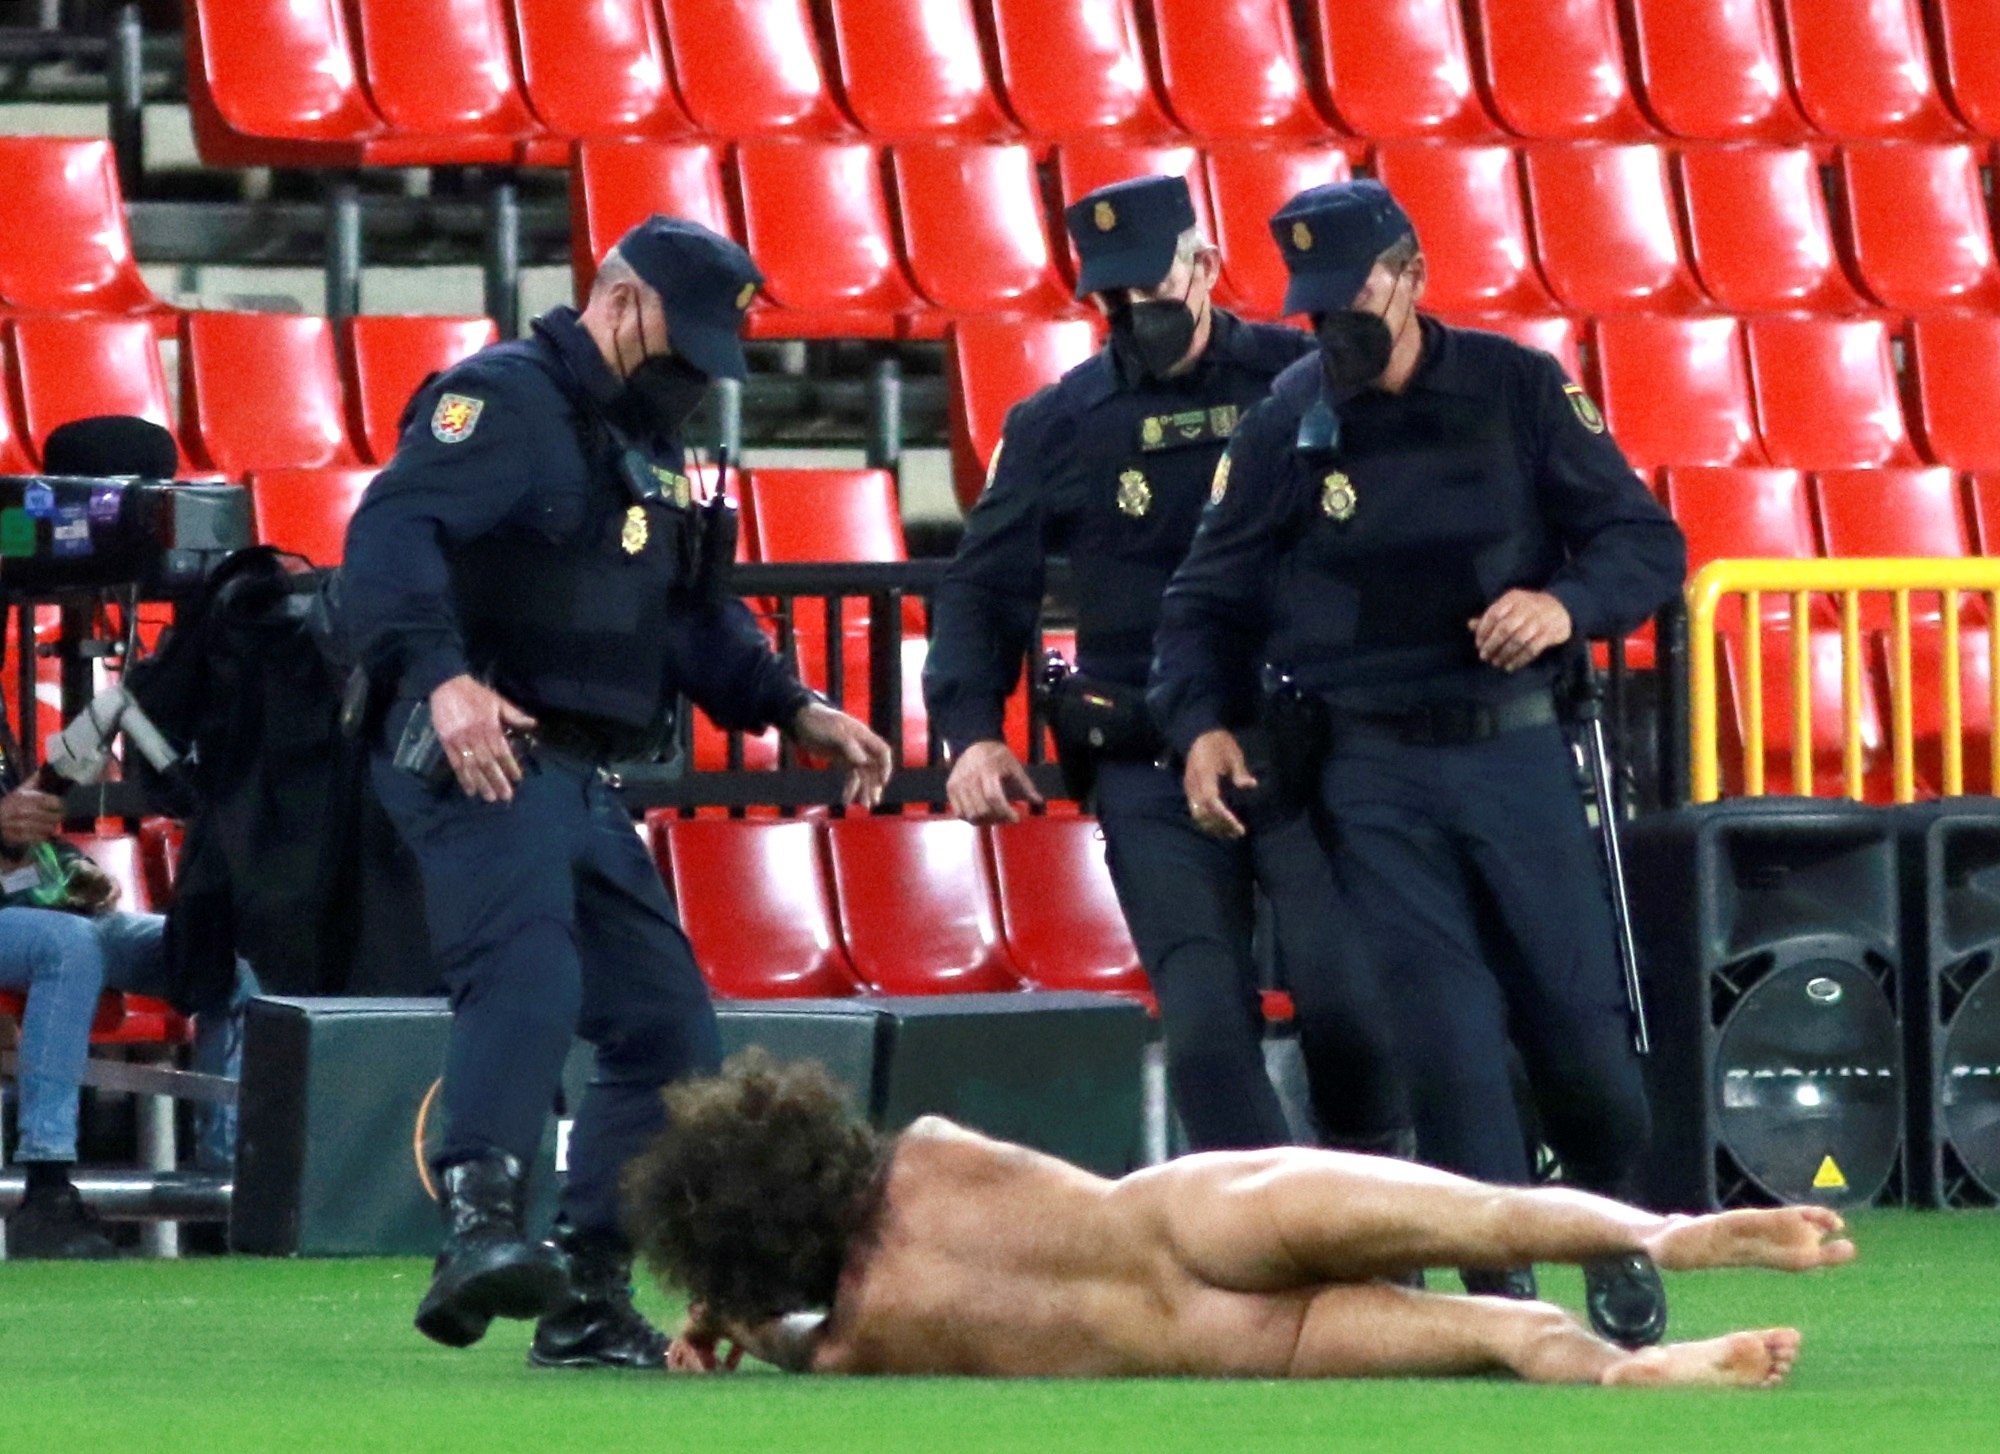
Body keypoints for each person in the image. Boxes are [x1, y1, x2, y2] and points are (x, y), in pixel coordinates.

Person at [339, 215, 893, 1368]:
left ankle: (587, 1291)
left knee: (665, 1025)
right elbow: (388, 533)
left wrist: (790, 705)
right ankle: (480, 1226)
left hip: (582, 771)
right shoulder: (501, 401)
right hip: (478, 749)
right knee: (528, 970)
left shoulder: (649, 448)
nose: (696, 375)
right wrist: (443, 679)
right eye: (683, 344)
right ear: (621, 302)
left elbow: (691, 618)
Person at [1147, 180, 1688, 1344]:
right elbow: (1204, 601)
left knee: (1575, 1032)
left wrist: (1562, 605)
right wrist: (1199, 724)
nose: (1327, 329)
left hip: (1514, 753)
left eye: (1349, 301)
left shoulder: (1517, 390)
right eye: (1311, 310)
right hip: (1367, 772)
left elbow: (1644, 541)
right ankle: (1499, 1292)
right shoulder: (1287, 422)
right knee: (1443, 1034)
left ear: (1408, 278)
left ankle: (1605, 1223)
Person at [924, 174, 1407, 1158]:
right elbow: (983, 589)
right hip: (1145, 752)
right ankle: (1276, 1234)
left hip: (1297, 745)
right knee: (1201, 1020)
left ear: (1204, 266)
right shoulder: (1059, 421)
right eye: (1114, 298)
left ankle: (1372, 1202)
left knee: (1349, 1000)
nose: (1133, 314)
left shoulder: (1299, 378)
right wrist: (971, 730)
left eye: (1151, 290)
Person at [630, 1053, 1852, 1385]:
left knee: (1498, 1332)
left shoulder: (854, 1343)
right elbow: (907, 1146)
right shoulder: (930, 1152)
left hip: (1211, 1340)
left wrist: (731, 1315)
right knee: (1485, 1212)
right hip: (1191, 1218)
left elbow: (794, 1333)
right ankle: (1659, 1231)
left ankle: (1626, 1368)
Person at [0, 776, 256, 1259]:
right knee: (70, 946)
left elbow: (25, 849)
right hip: (42, 929)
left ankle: (228, 1185)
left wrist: (76, 870)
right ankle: (45, 1186)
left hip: (40, 907)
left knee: (220, 957)